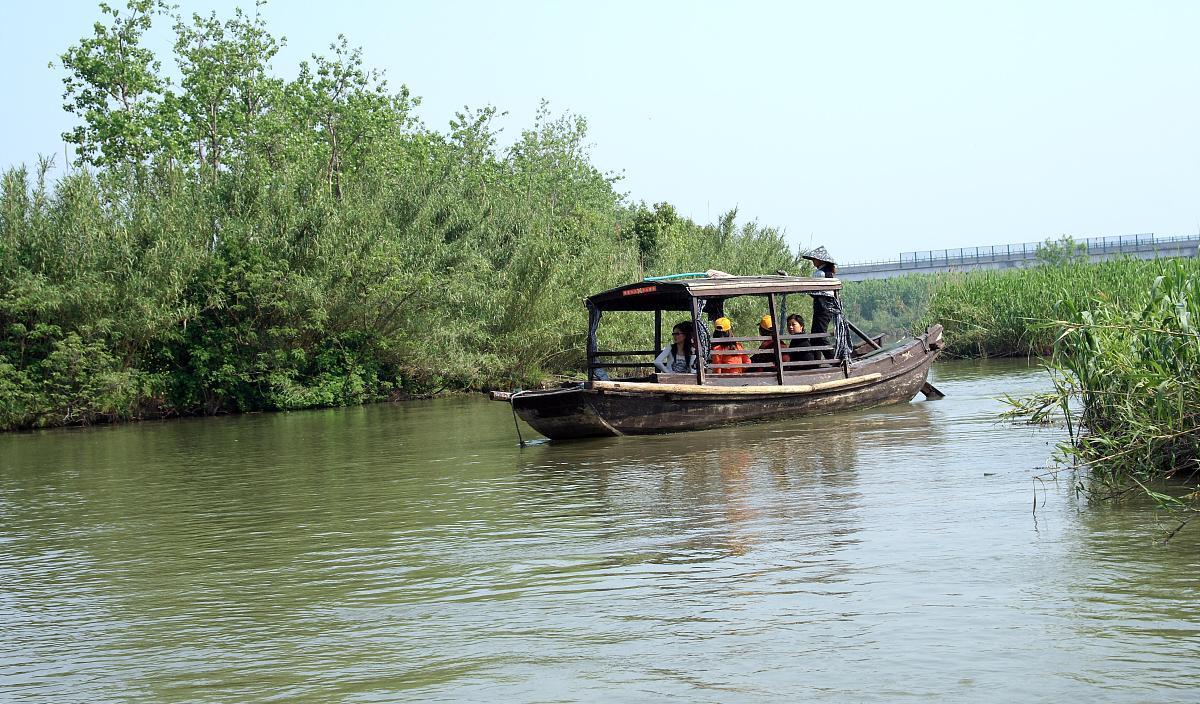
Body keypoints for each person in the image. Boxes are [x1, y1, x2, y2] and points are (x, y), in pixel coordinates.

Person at [804, 246, 838, 360]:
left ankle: (833, 360)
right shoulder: (828, 273)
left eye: (814, 259)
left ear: (821, 260)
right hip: (826, 306)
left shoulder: (820, 273)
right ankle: (816, 361)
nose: (813, 262)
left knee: (819, 334)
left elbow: (814, 290)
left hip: (823, 306)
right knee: (815, 336)